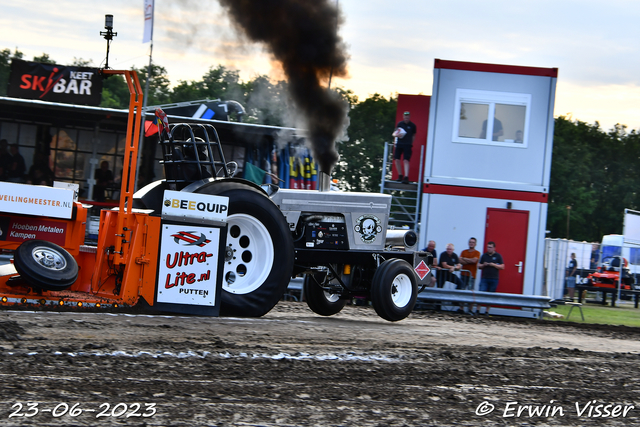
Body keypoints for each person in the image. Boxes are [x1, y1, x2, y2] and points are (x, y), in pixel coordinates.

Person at [393, 111, 417, 184]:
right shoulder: (400, 124)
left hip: (407, 144)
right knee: (396, 159)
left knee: (406, 160)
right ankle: (400, 175)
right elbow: (395, 133)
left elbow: (413, 135)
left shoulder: (413, 125)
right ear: (403, 117)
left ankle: (406, 177)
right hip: (399, 143)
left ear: (409, 117)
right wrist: (397, 136)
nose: (406, 118)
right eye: (405, 116)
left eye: (407, 117)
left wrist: (411, 143)